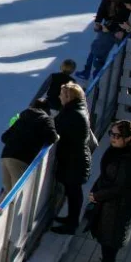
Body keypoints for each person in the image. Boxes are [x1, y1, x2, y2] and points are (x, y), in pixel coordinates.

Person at [83, 120, 131, 262]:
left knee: (110, 244)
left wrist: (97, 195)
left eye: (117, 135)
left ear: (127, 138)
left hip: (117, 208)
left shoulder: (126, 161)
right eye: (111, 134)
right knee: (106, 242)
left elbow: (119, 188)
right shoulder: (119, 152)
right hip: (111, 206)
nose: (113, 138)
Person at [52, 83, 97, 236]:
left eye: (62, 94)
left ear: (69, 97)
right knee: (73, 193)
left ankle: (72, 224)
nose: (59, 96)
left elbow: (55, 128)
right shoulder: (76, 109)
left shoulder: (73, 113)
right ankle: (71, 219)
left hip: (75, 161)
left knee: (74, 192)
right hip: (75, 159)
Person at [0, 99, 58, 200]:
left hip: (6, 156)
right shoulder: (46, 119)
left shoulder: (22, 117)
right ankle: (7, 215)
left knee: (7, 192)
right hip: (22, 159)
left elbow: (4, 137)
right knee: (16, 195)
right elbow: (52, 137)